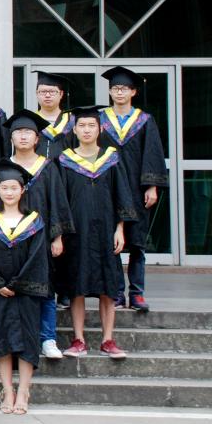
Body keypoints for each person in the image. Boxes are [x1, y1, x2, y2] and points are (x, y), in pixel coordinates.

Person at [58, 106, 137, 360]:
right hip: (76, 232)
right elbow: (60, 200)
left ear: (100, 129)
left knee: (108, 285)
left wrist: (120, 229)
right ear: (74, 130)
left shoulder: (111, 159)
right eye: (82, 126)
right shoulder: (65, 160)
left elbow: (121, 194)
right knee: (77, 286)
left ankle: (107, 340)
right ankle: (78, 339)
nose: (87, 130)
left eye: (91, 126)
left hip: (106, 230)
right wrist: (60, 233)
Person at [0, 160, 50, 415]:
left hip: (25, 291)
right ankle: (7, 390)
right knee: (1, 340)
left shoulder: (34, 221)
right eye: (5, 187)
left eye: (14, 188)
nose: (9, 192)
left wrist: (18, 283)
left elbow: (38, 256)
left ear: (22, 190)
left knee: (27, 341)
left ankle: (24, 391)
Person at [3, 109, 74, 360]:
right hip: (10, 238)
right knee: (13, 287)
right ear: (11, 137)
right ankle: (16, 338)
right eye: (18, 132)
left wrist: (57, 237)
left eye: (28, 132)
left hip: (42, 238)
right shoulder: (3, 167)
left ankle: (48, 338)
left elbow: (58, 202)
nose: (23, 136)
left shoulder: (47, 167)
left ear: (37, 138)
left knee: (45, 288)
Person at [99, 67, 168, 312]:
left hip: (137, 190)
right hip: (108, 189)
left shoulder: (144, 120)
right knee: (112, 243)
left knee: (137, 243)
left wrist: (152, 186)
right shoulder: (99, 121)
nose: (119, 92)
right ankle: (117, 292)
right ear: (110, 92)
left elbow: (152, 153)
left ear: (133, 92)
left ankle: (137, 293)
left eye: (124, 89)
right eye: (115, 88)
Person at [33, 71, 76, 158]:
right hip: (36, 166)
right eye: (43, 91)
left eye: (52, 91)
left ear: (61, 94)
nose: (47, 95)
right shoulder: (30, 120)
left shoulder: (72, 120)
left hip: (66, 166)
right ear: (37, 94)